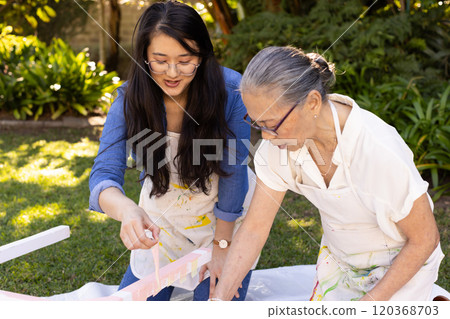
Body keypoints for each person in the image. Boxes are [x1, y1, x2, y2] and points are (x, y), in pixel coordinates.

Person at [210, 46, 445, 301]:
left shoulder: (377, 149)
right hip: (340, 264)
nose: (265, 136)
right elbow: (254, 228)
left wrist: (367, 306)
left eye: (272, 123)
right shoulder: (279, 145)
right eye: (257, 123)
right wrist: (218, 299)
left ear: (312, 102)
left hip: (403, 268)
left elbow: (425, 239)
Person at [89, 1, 255, 301]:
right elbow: (104, 174)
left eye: (186, 59)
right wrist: (128, 210)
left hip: (226, 217)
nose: (173, 72)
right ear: (144, 57)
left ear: (202, 56)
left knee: (217, 303)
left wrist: (222, 248)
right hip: (163, 216)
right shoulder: (128, 100)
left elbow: (233, 171)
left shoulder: (231, 92)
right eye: (160, 60)